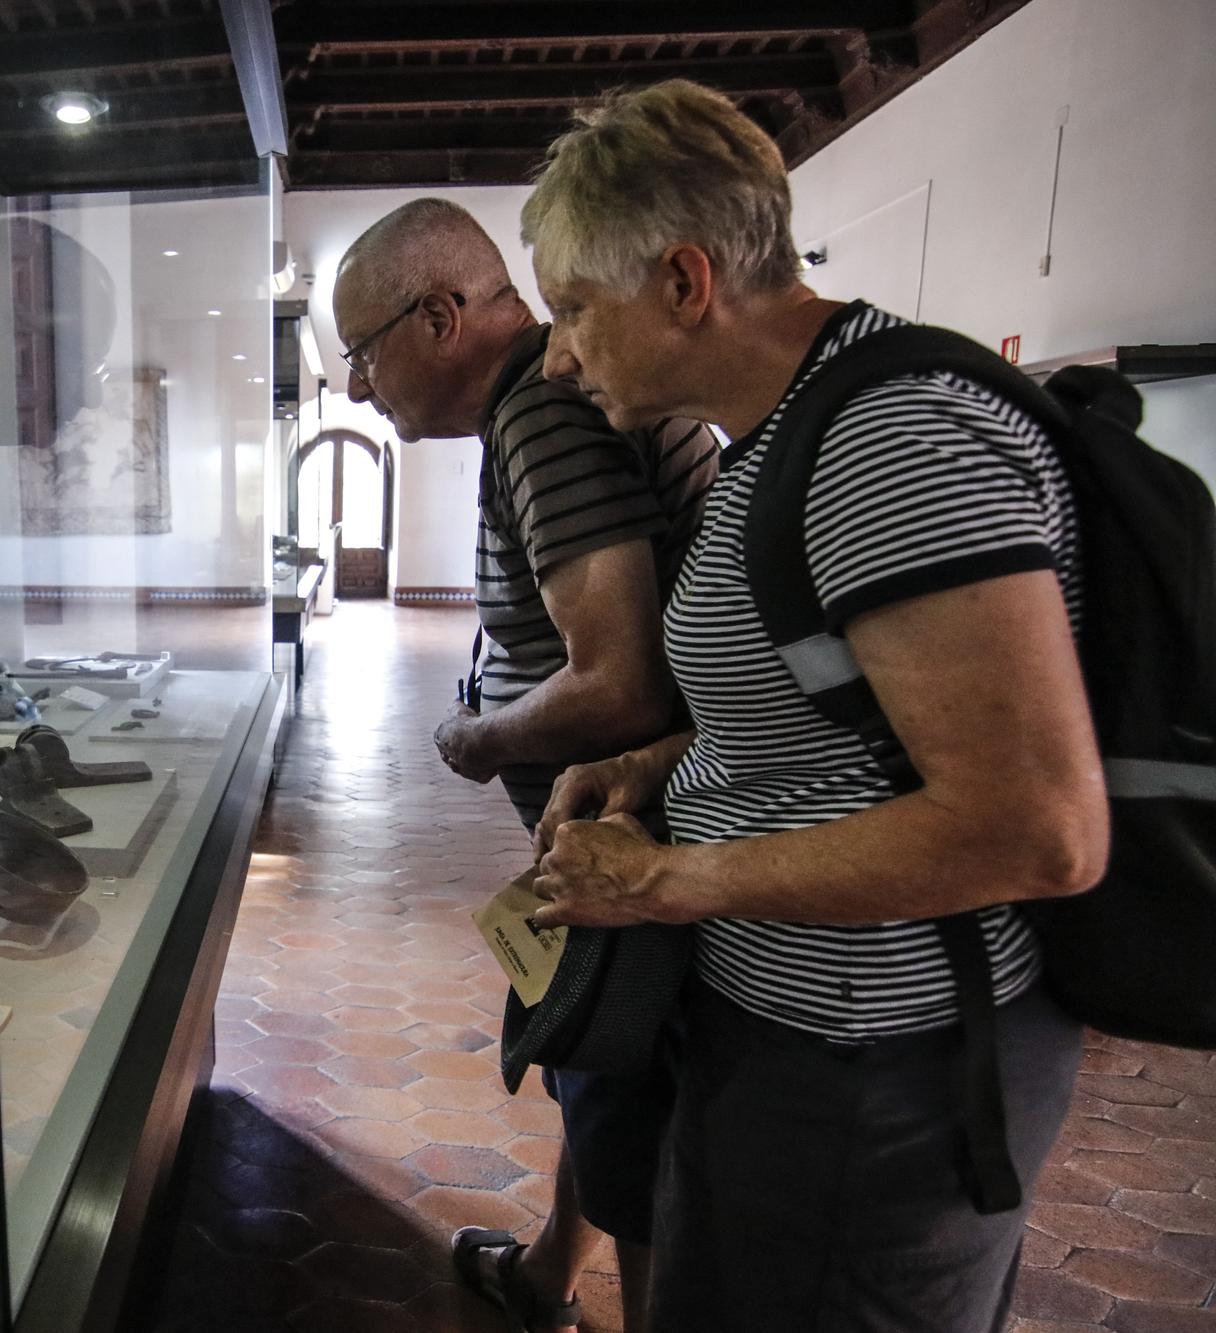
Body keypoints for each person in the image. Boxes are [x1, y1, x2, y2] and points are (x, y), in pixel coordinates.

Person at [519, 80, 1106, 1331]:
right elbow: (843, 712)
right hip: (799, 1042)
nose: (559, 355)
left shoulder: (884, 438)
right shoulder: (786, 430)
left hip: (882, 1069)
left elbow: (1034, 826)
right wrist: (670, 764)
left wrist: (665, 881)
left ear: (683, 282)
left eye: (573, 308)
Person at [332, 199, 718, 1333]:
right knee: (594, 1073)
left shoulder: (540, 412)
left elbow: (623, 682)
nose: (358, 387)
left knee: (627, 1107)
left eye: (361, 353)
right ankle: (549, 1272)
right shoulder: (546, 398)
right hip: (628, 836)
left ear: (440, 316)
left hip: (642, 840)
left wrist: (479, 736)